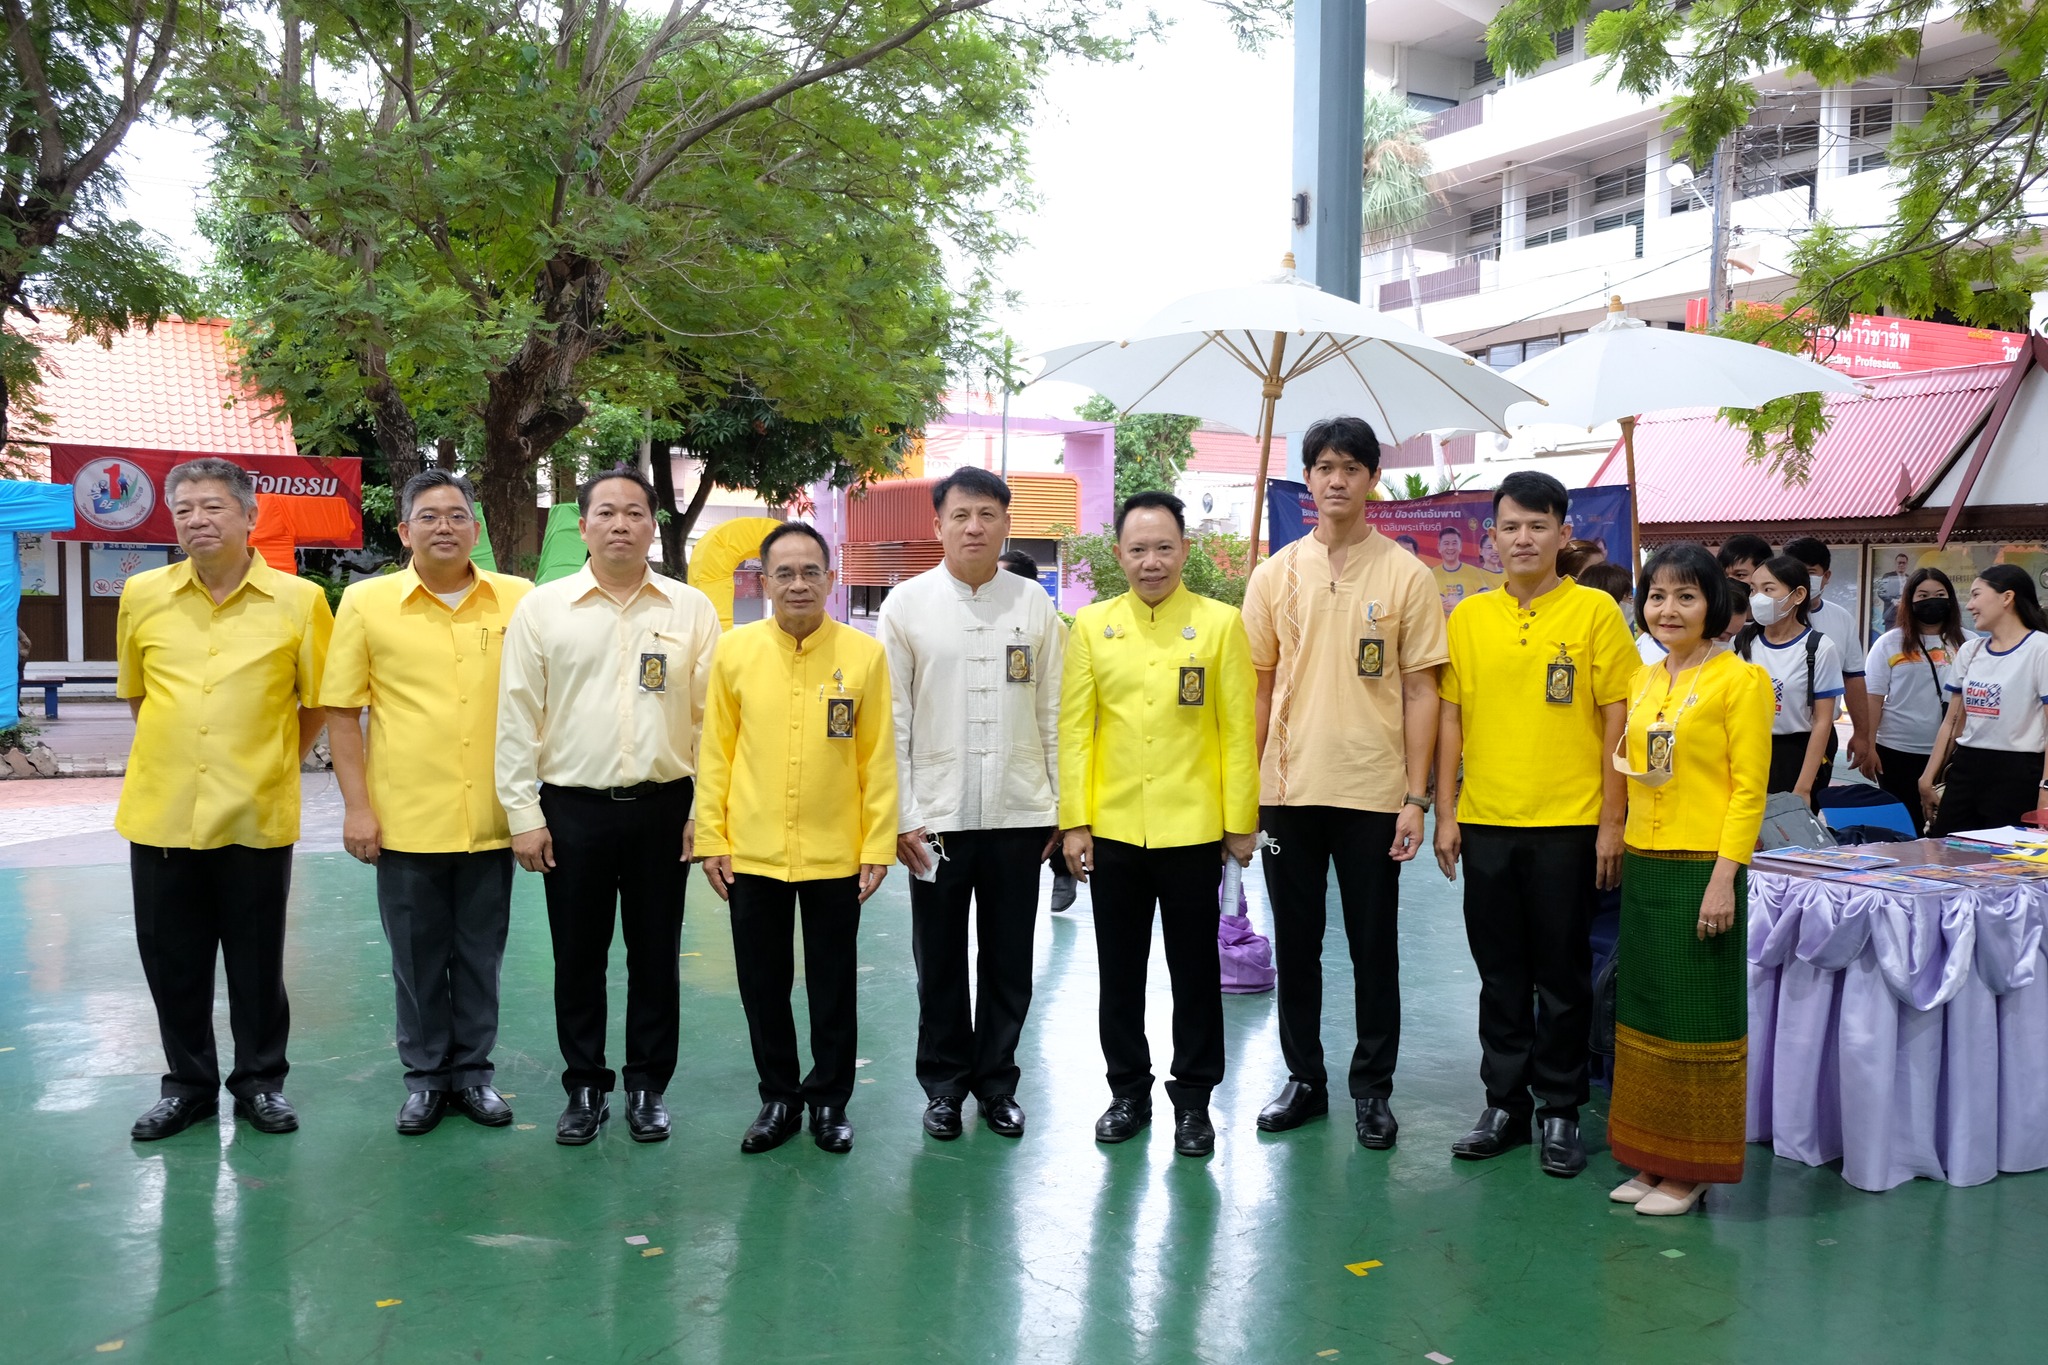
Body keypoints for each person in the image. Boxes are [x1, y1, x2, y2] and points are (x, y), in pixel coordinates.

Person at [496, 466, 720, 1146]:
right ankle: (585, 1083)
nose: (620, 523)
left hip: (664, 809)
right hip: (572, 810)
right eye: (606, 512)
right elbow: (516, 715)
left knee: (656, 954)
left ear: (654, 525)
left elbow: (715, 720)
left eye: (634, 512)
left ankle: (648, 1085)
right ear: (583, 525)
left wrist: (704, 812)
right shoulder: (543, 608)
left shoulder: (690, 609)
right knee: (578, 954)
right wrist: (523, 814)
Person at [1240, 417, 1445, 1150]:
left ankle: (1372, 1087)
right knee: (1295, 943)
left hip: (1372, 793)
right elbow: (1258, 690)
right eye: (1323, 466)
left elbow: (1423, 691)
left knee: (1372, 946)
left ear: (1371, 480)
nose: (1335, 479)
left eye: (1350, 467)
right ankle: (1304, 1078)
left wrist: (1415, 798)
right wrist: (1247, 790)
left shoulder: (1406, 575)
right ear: (1307, 477)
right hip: (1286, 794)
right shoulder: (1274, 574)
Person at [117, 458, 333, 1141]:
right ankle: (186, 1086)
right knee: (171, 960)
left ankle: (261, 1082)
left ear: (250, 517)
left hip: (255, 813)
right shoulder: (142, 593)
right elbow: (137, 695)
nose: (197, 519)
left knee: (257, 959)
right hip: (161, 811)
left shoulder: (300, 601)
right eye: (183, 509)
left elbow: (316, 702)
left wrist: (270, 764)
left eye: (212, 506)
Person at [1433, 471, 1636, 1178]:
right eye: (1510, 525)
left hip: (1569, 825)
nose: (1523, 537)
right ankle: (1504, 1104)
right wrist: (1446, 811)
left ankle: (1559, 1108)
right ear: (1492, 535)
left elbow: (1619, 717)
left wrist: (1613, 821)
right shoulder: (1467, 618)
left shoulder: (1594, 615)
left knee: (1563, 973)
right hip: (1486, 821)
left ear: (1563, 533)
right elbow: (1451, 717)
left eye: (1537, 525)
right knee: (1499, 974)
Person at [324, 470, 532, 1135]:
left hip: (491, 820)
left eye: (457, 515)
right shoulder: (367, 603)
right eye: (429, 515)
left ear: (476, 528)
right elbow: (342, 713)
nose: (445, 526)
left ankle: (473, 1074)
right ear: (404, 529)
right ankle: (424, 1077)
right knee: (414, 958)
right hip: (405, 821)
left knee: (480, 954)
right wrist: (358, 809)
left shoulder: (519, 601)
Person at [1059, 491, 1257, 1158]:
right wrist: (1074, 823)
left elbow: (1235, 732)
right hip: (1113, 831)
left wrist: (1239, 824)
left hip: (1194, 831)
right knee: (1119, 972)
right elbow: (1076, 733)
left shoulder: (1221, 624)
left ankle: (1194, 1100)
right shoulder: (1091, 625)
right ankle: (1128, 1091)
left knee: (1196, 973)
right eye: (1138, 549)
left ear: (1185, 551)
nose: (1151, 561)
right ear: (1118, 553)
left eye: (1163, 547)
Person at [697, 522, 897, 1156]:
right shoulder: (735, 652)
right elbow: (716, 753)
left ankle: (831, 1100)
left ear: (830, 579)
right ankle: (779, 1095)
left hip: (836, 851)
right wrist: (712, 837)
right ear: (764, 581)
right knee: (763, 981)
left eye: (811, 571)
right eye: (784, 572)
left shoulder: (864, 656)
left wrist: (876, 845)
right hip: (753, 850)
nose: (798, 583)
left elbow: (879, 759)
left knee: (834, 983)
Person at [879, 468, 1065, 1142]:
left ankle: (997, 1083)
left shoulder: (1034, 604)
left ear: (1007, 524)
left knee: (1011, 956)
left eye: (988, 514)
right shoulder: (906, 604)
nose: (975, 527)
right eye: (961, 515)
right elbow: (891, 723)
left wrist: (1060, 806)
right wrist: (903, 814)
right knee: (940, 958)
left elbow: (1055, 712)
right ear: (938, 524)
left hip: (1020, 814)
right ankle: (944, 1086)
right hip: (937, 818)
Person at [1609, 543, 1772, 1216]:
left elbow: (1748, 791)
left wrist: (1722, 879)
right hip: (1645, 863)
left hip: (1703, 866)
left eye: (1685, 596)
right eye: (1656, 596)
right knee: (1645, 1010)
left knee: (1696, 1018)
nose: (1667, 609)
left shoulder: (1742, 681)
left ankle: (1692, 1169)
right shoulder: (1645, 679)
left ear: (1715, 604)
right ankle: (1651, 1157)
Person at [1921, 565, 2048, 835]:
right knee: (1947, 851)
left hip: (2018, 772)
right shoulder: (1970, 650)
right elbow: (1952, 722)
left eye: (1977, 595)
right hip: (1966, 767)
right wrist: (1927, 777)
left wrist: (2045, 790)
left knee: (2005, 865)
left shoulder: (2041, 649)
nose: (1970, 605)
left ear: (2007, 598)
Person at [999, 548, 1079, 912]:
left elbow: (1058, 695)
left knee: (1054, 811)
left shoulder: (1052, 627)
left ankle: (1062, 871)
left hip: (1043, 737)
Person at [1859, 568, 1966, 832]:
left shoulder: (1967, 643)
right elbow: (1873, 698)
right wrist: (1869, 746)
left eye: (1940, 594)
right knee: (1904, 826)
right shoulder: (1888, 643)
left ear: (1951, 600)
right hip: (1896, 751)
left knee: (1944, 827)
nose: (1932, 600)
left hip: (1952, 754)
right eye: (1923, 595)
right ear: (1910, 600)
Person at [1735, 554, 1845, 810]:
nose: (1757, 598)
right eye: (1753, 589)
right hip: (1747, 749)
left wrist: (1803, 788)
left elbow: (1822, 721)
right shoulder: (1742, 643)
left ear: (1797, 595)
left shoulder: (1819, 648)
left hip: (1793, 755)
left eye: (1768, 589)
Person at [1784, 538, 1872, 787]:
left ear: (1826, 575)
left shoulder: (1841, 618)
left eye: (1810, 572)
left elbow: (1853, 677)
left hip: (1820, 733)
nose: (1802, 578)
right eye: (1796, 570)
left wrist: (1862, 733)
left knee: (1809, 807)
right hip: (1771, 735)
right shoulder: (1769, 616)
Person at [1433, 524, 1491, 612]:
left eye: (1454, 543)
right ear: (1439, 548)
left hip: (1467, 623)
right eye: (1446, 543)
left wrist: (1461, 602)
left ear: (1460, 547)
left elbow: (1486, 597)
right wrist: (1436, 600)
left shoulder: (1473, 572)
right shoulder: (1432, 573)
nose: (1450, 547)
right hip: (1442, 625)